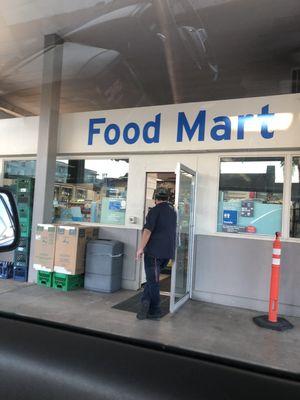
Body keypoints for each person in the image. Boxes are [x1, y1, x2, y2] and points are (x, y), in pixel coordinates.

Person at [136, 188, 177, 320]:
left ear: (155, 198)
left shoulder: (154, 211)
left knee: (153, 282)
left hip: (154, 253)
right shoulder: (173, 212)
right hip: (167, 253)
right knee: (152, 280)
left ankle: (155, 310)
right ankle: (144, 303)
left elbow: (147, 231)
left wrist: (140, 248)